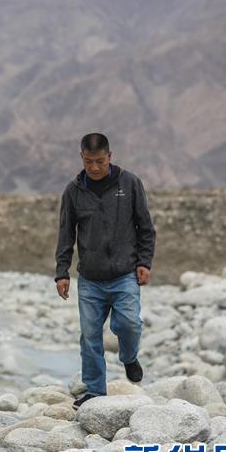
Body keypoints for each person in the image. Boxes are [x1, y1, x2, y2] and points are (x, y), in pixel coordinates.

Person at [54, 133, 156, 408]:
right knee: (89, 337)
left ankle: (128, 357)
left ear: (110, 157)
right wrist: (62, 271)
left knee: (129, 324)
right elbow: (66, 234)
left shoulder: (130, 184)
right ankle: (95, 392)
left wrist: (144, 262)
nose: (95, 168)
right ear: (81, 159)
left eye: (100, 161)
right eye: (89, 162)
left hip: (125, 275)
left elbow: (145, 227)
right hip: (90, 279)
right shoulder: (73, 191)